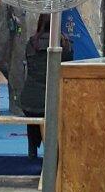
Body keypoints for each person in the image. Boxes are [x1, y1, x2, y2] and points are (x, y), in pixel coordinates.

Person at [20, 14, 73, 160]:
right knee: (46, 108)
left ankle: (33, 150)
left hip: (30, 99)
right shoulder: (65, 44)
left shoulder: (32, 43)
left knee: (36, 108)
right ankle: (52, 157)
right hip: (53, 98)